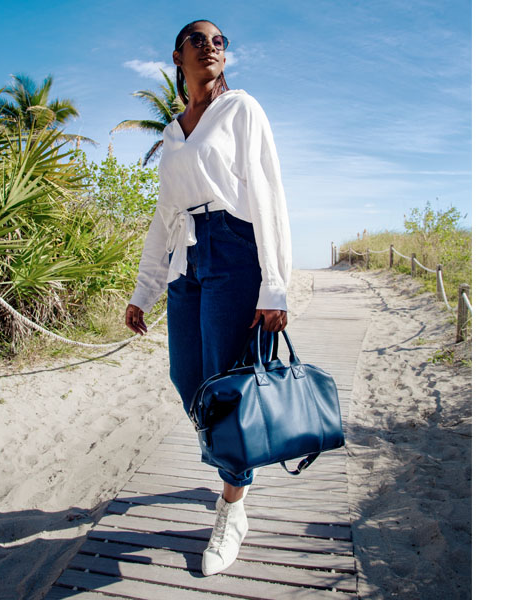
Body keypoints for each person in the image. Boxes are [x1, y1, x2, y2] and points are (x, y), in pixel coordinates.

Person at [124, 19, 292, 576]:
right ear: (177, 55)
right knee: (187, 377)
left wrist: (274, 283)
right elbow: (164, 214)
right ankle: (235, 458)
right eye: (199, 40)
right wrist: (144, 291)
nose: (211, 47)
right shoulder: (174, 131)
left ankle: (232, 505)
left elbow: (267, 192)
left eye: (220, 41)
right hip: (186, 259)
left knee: (227, 386)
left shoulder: (241, 109)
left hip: (234, 248)